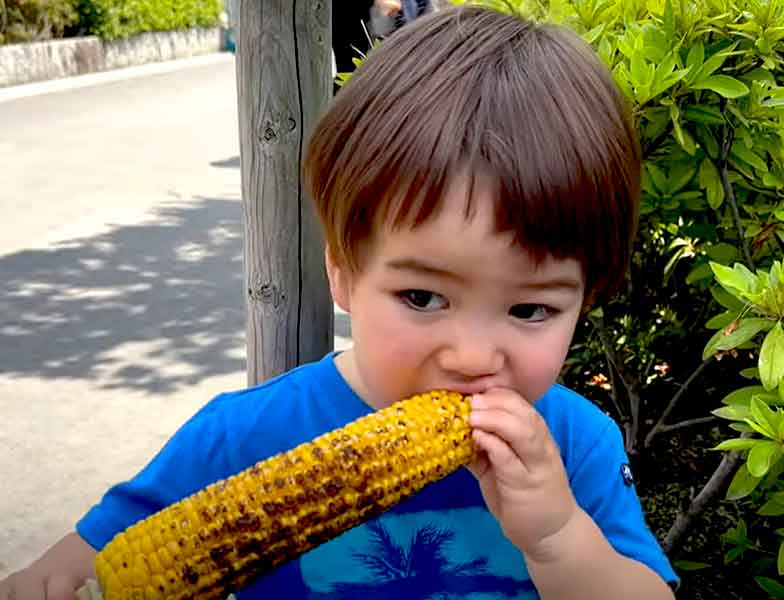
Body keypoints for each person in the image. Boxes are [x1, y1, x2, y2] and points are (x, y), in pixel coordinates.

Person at [0, 6, 679, 599]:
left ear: (585, 299)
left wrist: (559, 536)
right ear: (343, 275)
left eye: (530, 310)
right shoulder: (240, 439)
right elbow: (76, 568)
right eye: (421, 296)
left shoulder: (574, 446)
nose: (474, 357)